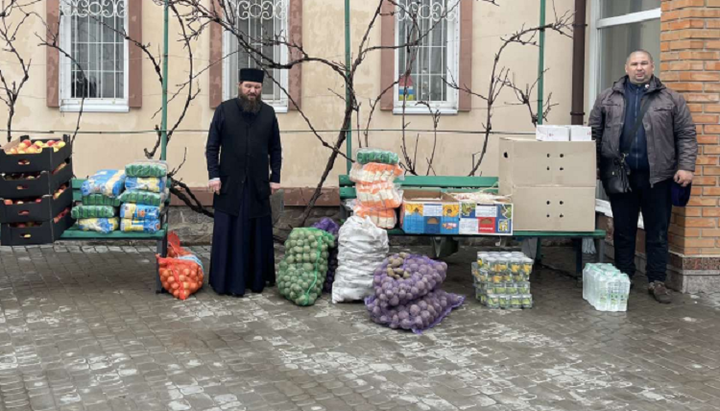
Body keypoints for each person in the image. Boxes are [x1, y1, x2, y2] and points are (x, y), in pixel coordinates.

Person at [589, 50, 697, 304]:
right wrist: (592, 165)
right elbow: (593, 132)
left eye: (644, 63)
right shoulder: (607, 97)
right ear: (626, 67)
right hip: (619, 175)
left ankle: (656, 280)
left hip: (658, 176)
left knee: (657, 230)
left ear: (652, 66)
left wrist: (686, 166)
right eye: (635, 64)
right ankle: (624, 274)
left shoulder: (671, 99)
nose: (639, 68)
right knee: (623, 229)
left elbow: (686, 134)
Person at [205, 68, 282, 297]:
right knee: (230, 231)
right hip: (229, 184)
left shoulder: (268, 114)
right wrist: (214, 175)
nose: (252, 91)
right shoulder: (224, 110)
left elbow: (275, 148)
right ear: (240, 85)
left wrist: (275, 177)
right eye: (248, 86)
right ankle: (226, 282)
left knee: (256, 233)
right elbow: (212, 146)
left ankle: (255, 281)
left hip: (258, 184)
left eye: (257, 88)